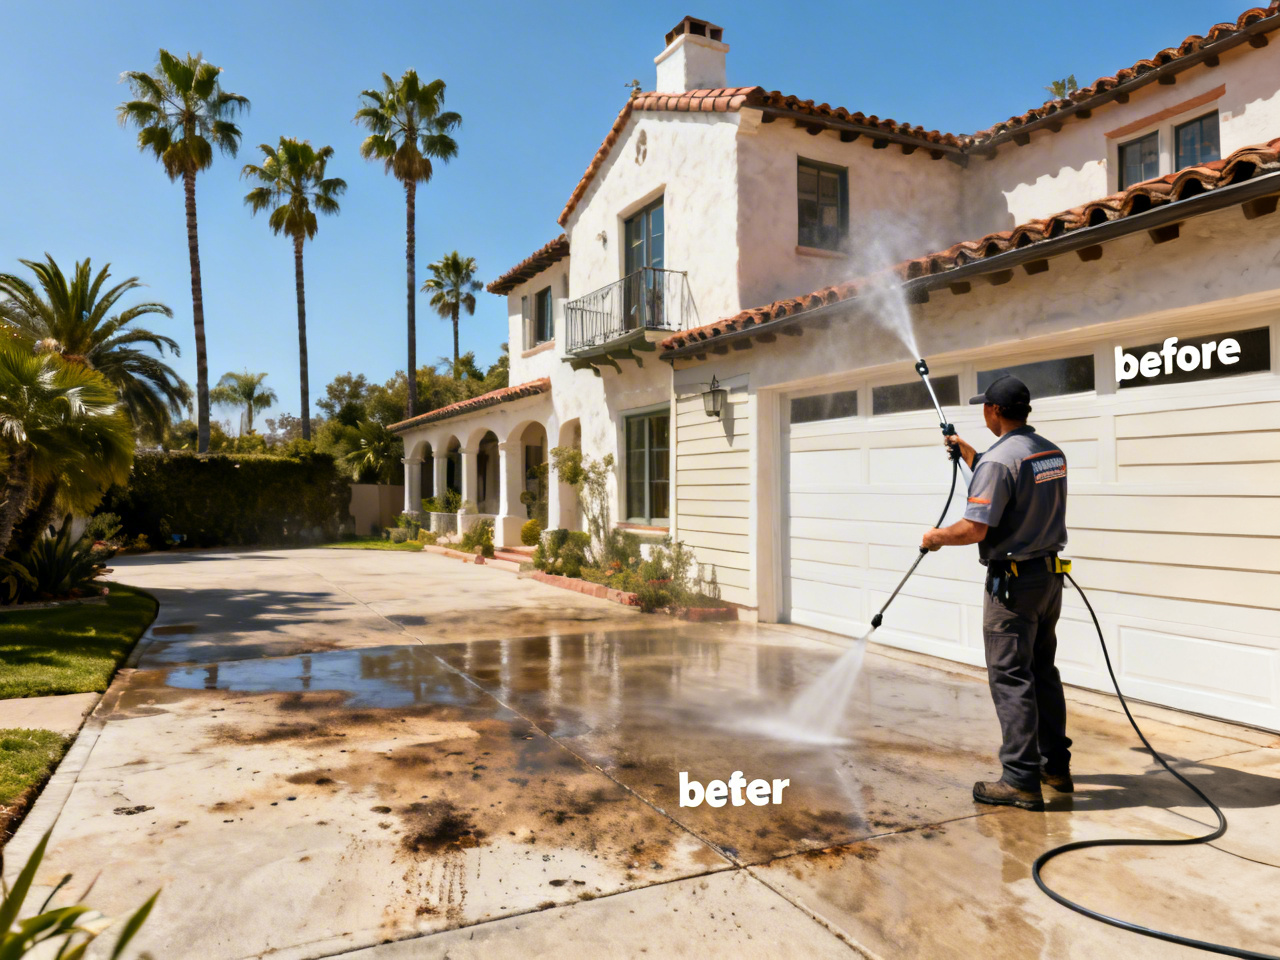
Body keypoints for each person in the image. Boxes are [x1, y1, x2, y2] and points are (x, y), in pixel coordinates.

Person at [920, 374, 1071, 811]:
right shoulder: (1047, 452)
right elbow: (1010, 483)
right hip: (1048, 578)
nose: (983, 411)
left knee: (1010, 677)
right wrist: (967, 452)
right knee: (1043, 672)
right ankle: (1055, 766)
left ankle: (1020, 779)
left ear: (995, 411)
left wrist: (935, 537)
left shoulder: (998, 462)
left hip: (1013, 586)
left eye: (985, 406)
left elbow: (975, 528)